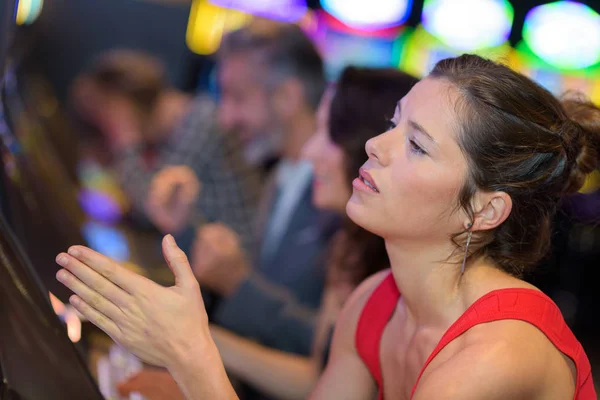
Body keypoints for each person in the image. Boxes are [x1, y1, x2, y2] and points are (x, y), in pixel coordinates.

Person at [55, 55, 598, 400]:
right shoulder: (373, 300)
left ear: (483, 211)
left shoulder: (493, 356)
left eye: (415, 145)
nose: (372, 146)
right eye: (393, 124)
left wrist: (192, 354)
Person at [117, 67, 418, 400]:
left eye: (328, 134)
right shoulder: (348, 242)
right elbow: (318, 375)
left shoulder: (390, 270)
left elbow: (308, 364)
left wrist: (198, 344)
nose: (309, 152)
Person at [188, 20, 332, 356]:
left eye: (237, 97)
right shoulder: (279, 175)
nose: (225, 118)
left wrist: (239, 285)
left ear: (287, 97)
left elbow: (332, 349)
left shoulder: (343, 199)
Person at [72, 48, 261, 252]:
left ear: (122, 106)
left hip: (237, 261)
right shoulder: (174, 129)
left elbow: (152, 208)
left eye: (106, 119)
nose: (106, 131)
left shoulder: (200, 123)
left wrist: (125, 139)